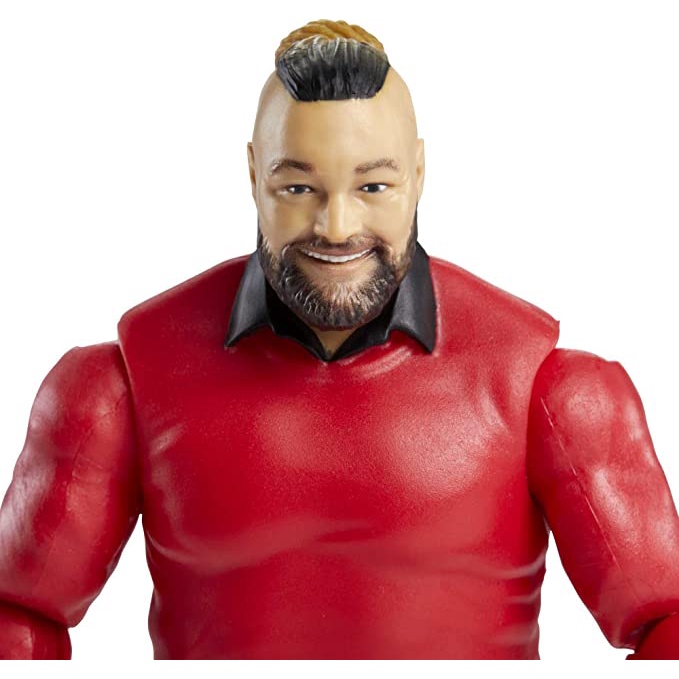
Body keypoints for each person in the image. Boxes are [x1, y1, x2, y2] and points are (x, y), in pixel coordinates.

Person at [0, 19, 678, 660]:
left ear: (418, 174)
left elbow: (666, 621)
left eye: (373, 185)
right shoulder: (122, 385)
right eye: (298, 186)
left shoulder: (547, 389)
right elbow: (20, 613)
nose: (336, 226)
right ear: (253, 176)